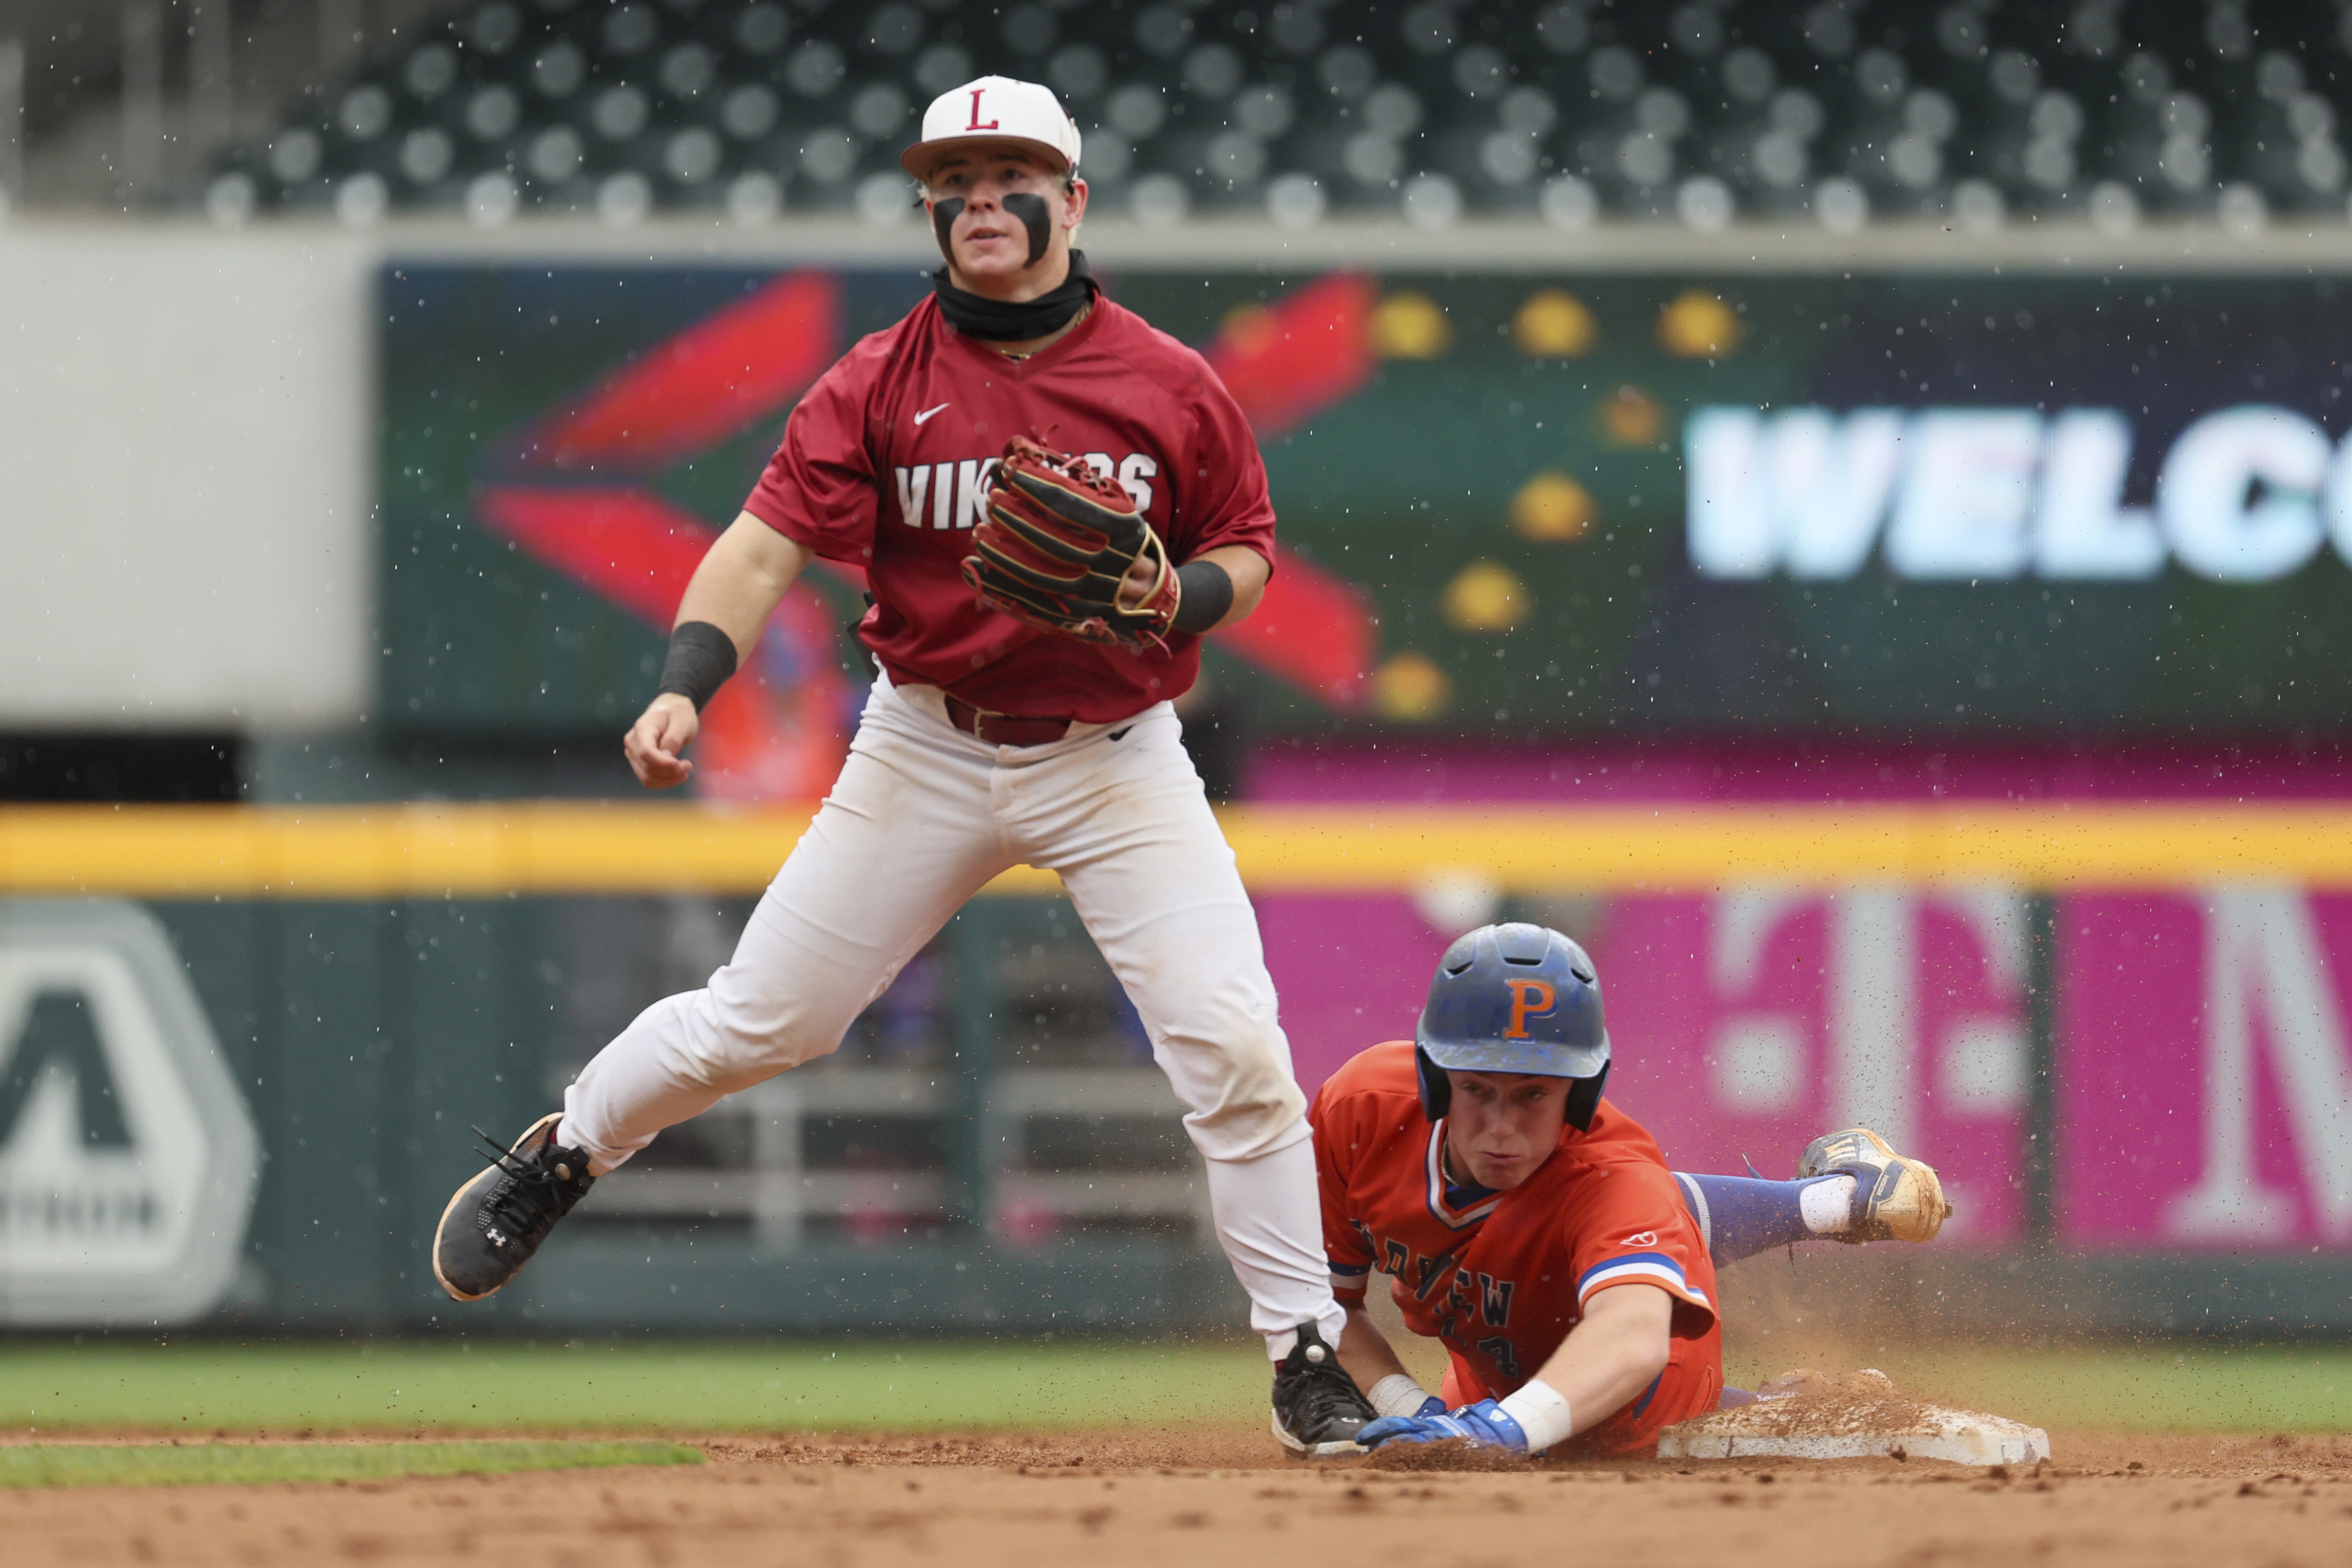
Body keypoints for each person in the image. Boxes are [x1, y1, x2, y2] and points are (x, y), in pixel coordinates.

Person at [429, 76, 1374, 1456]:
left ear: (1072, 200)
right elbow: (758, 549)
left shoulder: (1166, 381)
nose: (980, 200)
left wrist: (1178, 601)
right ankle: (567, 1147)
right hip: (923, 741)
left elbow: (1245, 546)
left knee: (1231, 1046)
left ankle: (1303, 1352)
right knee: (769, 1019)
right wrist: (687, 683)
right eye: (954, 180)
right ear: (928, 204)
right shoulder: (877, 379)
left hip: (1112, 755)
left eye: (1011, 176)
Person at [1315, 923, 1951, 1457]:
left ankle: (1834, 1202)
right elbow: (1323, 1305)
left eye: (1534, 1093)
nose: (1501, 1128)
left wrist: (1492, 1433)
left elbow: (1630, 1339)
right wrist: (1420, 1412)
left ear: (1581, 1092)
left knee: (1622, 1206)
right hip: (1489, 1376)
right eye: (1477, 1089)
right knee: (1577, 1234)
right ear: (1433, 1078)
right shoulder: (1361, 1110)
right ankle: (1804, 1385)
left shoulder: (1613, 1170)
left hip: (1646, 1388)